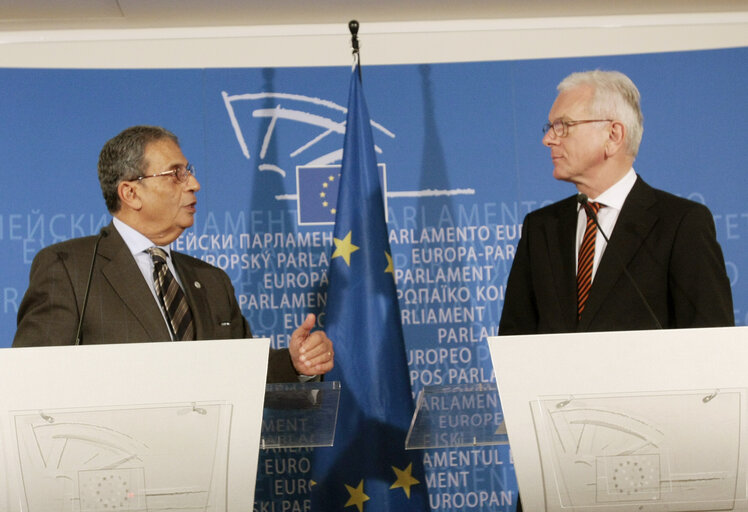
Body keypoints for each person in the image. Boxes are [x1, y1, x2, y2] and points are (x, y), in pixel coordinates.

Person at [499, 70, 734, 511]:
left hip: (652, 471)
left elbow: (709, 354)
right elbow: (517, 345)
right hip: (557, 472)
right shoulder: (541, 230)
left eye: (562, 126)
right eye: (550, 128)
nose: (549, 139)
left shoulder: (681, 223)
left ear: (612, 134)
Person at [13, 125, 334, 383]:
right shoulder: (70, 269)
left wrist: (294, 363)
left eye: (188, 171)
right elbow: (32, 380)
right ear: (131, 192)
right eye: (175, 174)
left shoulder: (212, 281)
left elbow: (241, 375)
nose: (194, 183)